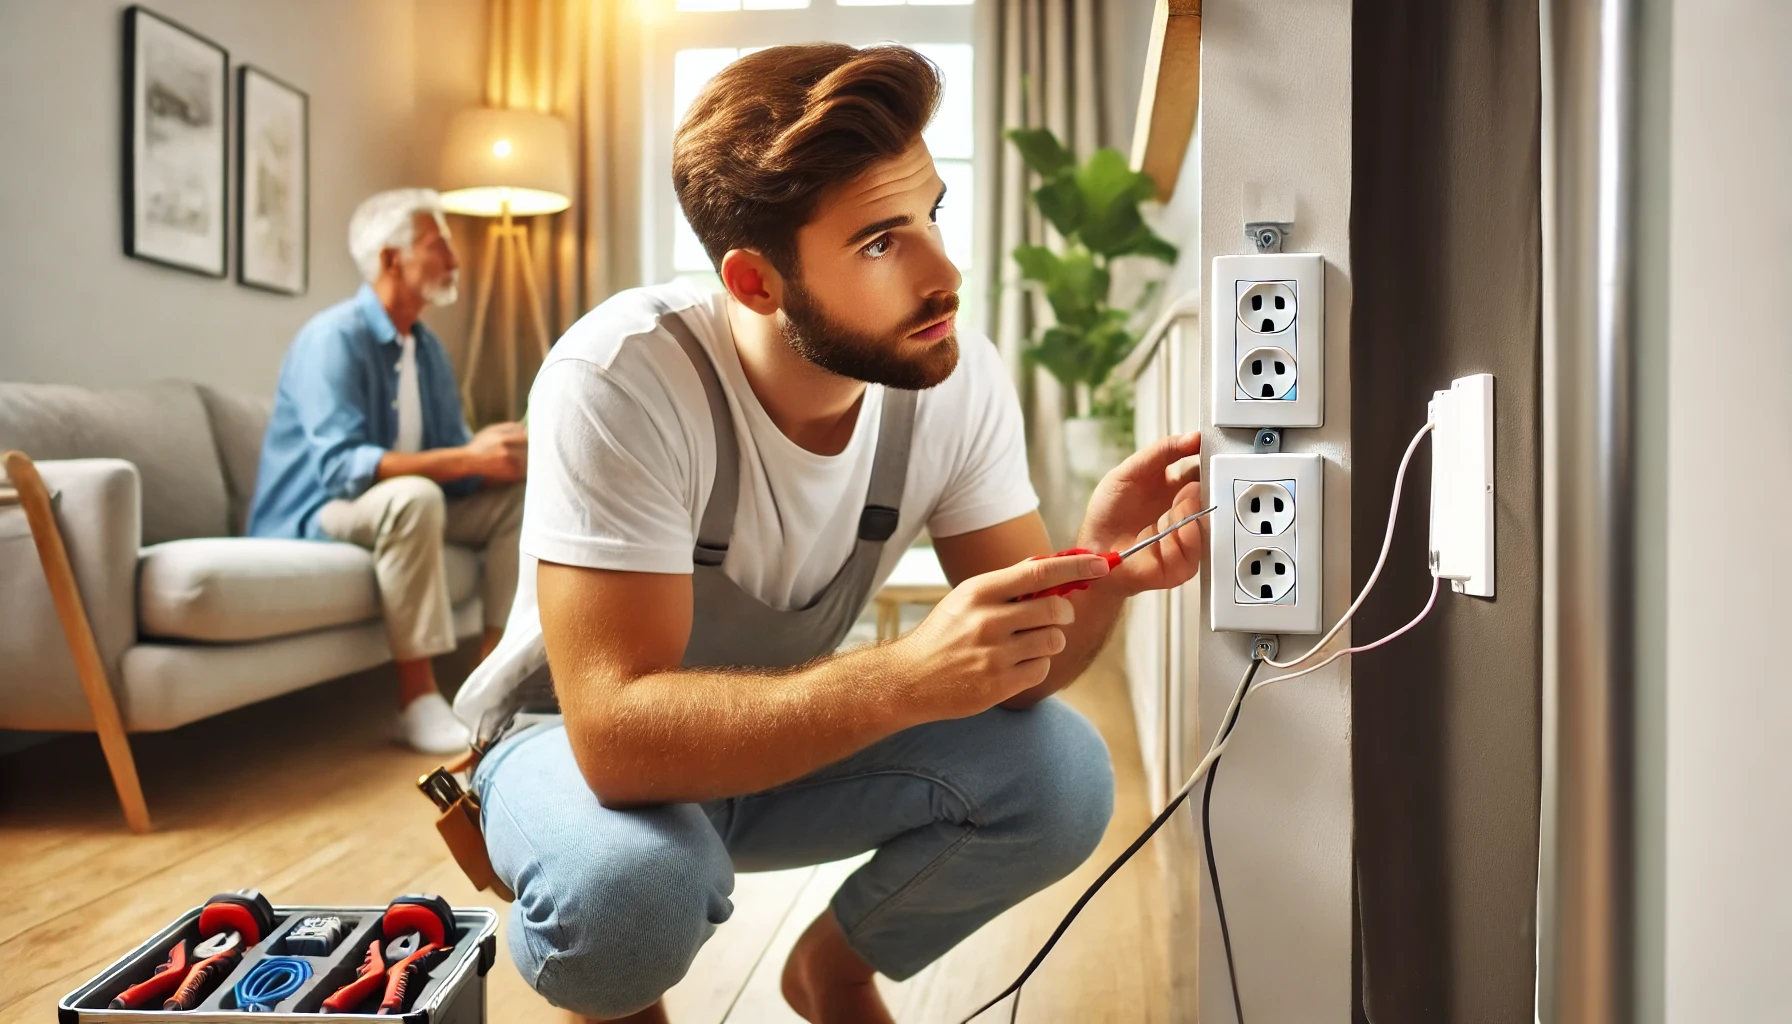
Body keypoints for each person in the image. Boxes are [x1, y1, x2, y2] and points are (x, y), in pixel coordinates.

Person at [452, 45, 1205, 1024]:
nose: (944, 274)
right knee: (626, 897)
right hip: (570, 748)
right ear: (757, 284)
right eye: (880, 243)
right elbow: (618, 741)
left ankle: (833, 970)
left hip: (766, 748)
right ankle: (620, 977)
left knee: (1058, 773)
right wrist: (902, 676)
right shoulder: (620, 377)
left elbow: (1025, 671)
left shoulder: (951, 376)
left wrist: (1105, 566)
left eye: (930, 215)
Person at [248, 189, 528, 755]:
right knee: (414, 497)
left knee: (518, 499)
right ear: (389, 258)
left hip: (399, 502)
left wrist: (492, 458)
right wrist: (465, 458)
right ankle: (417, 699)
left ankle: (495, 682)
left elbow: (453, 457)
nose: (453, 260)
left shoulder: (427, 351)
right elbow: (341, 466)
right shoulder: (333, 338)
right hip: (318, 507)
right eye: (437, 246)